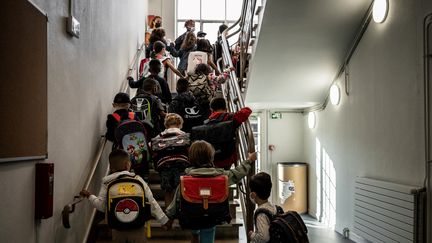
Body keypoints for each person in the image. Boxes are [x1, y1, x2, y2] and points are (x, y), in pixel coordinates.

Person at [165, 140, 257, 243]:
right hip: (212, 216)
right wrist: (249, 160)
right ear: (211, 157)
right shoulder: (222, 177)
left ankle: (195, 234)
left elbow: (177, 200)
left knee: (193, 220)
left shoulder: (185, 180)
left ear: (190, 158)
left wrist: (169, 218)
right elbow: (237, 174)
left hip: (192, 216)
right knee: (208, 232)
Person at [79, 149, 170, 243]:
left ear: (110, 167)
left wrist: (89, 196)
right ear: (127, 165)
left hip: (118, 229)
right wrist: (163, 220)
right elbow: (151, 202)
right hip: (137, 227)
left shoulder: (107, 183)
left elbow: (101, 206)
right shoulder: (138, 180)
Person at [150, 113, 190, 209]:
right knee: (180, 190)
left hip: (165, 166)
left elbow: (153, 151)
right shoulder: (184, 135)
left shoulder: (159, 136)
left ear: (166, 125)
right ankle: (181, 213)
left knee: (168, 191)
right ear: (180, 124)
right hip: (181, 164)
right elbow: (190, 150)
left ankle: (168, 217)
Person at [208, 97, 252, 169]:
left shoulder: (208, 122)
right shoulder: (230, 118)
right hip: (228, 158)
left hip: (212, 158)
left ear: (211, 110)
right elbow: (247, 111)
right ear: (226, 108)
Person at [248, 172, 281, 243]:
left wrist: (252, 235)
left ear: (253, 195)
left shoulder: (261, 214)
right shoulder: (275, 208)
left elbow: (263, 238)